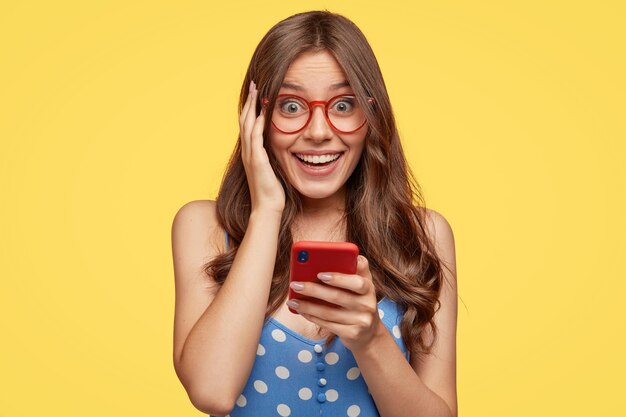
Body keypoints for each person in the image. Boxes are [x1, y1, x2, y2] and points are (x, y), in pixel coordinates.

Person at [172, 10, 458, 417]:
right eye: (291, 106)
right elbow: (212, 391)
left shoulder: (424, 233)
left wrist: (370, 338)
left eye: (343, 104)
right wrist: (266, 212)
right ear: (258, 119)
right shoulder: (204, 226)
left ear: (370, 116)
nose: (319, 130)